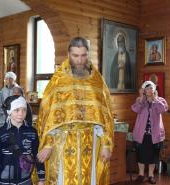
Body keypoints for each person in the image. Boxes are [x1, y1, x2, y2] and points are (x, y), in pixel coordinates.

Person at [36, 37, 114, 185]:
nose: (79, 60)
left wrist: (106, 144)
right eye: (75, 56)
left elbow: (105, 115)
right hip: (62, 142)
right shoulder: (58, 80)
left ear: (88, 54)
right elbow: (48, 116)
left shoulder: (97, 81)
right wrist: (47, 144)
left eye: (83, 55)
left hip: (90, 142)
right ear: (68, 54)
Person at [0, 96, 45, 185]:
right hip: (5, 182)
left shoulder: (32, 132)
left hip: (26, 181)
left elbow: (37, 155)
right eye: (16, 110)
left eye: (24, 110)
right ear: (9, 112)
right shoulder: (1, 133)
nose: (21, 113)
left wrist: (41, 179)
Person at [131, 81, 168, 184]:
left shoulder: (160, 100)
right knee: (141, 155)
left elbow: (163, 109)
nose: (149, 90)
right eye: (147, 89)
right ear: (143, 90)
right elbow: (135, 109)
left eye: (151, 88)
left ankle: (151, 175)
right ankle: (141, 174)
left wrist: (155, 100)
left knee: (153, 156)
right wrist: (141, 98)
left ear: (154, 90)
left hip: (155, 135)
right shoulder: (140, 100)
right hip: (141, 134)